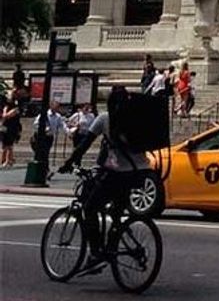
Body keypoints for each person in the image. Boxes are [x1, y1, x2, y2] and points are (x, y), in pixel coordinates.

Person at [57, 86, 155, 273]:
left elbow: (84, 145)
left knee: (90, 208)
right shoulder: (136, 119)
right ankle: (111, 246)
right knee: (117, 212)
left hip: (118, 173)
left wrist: (69, 163)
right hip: (141, 172)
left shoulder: (104, 119)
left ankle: (96, 254)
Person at [0, 97, 22, 169]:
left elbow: (7, 116)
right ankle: (3, 160)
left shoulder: (16, 109)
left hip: (12, 129)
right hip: (4, 128)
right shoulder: (6, 107)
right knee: (4, 145)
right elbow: (3, 116)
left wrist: (4, 112)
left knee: (9, 145)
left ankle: (8, 160)